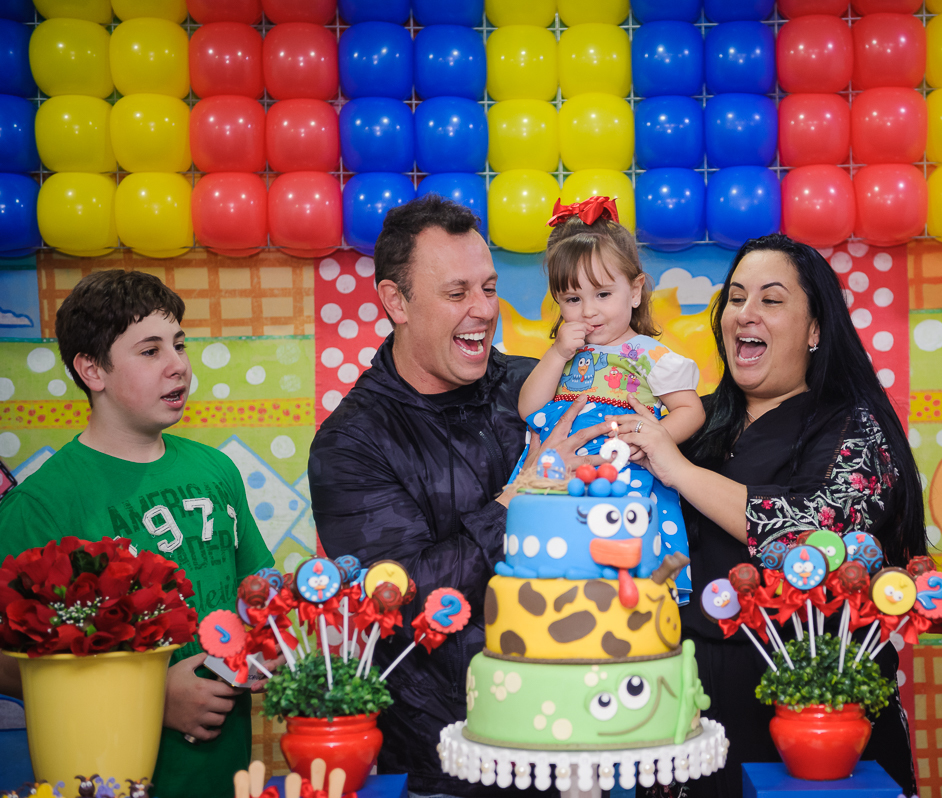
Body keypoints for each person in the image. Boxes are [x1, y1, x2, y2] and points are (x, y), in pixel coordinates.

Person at [605, 234, 926, 798]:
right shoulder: (694, 423)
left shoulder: (852, 424)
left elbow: (823, 532)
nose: (744, 313)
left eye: (771, 300)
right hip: (688, 714)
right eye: (735, 297)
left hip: (808, 711)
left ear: (816, 329)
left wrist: (678, 470)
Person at [308, 195, 608, 798]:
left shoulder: (536, 386)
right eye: (456, 294)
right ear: (397, 302)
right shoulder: (351, 443)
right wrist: (517, 501)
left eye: (489, 287)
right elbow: (399, 594)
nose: (484, 310)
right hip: (446, 765)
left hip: (578, 739)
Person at [0, 270, 273, 798]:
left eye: (179, 344)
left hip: (226, 775)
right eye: (149, 352)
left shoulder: (217, 470)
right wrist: (150, 695)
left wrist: (275, 639)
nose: (178, 366)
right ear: (91, 370)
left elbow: (256, 589)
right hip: (108, 775)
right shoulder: (40, 506)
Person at [515, 197, 704, 596]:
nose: (588, 311)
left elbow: (691, 410)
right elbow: (529, 408)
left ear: (635, 291)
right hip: (559, 466)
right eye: (572, 299)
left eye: (602, 294)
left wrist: (654, 439)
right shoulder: (564, 353)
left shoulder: (650, 355)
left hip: (623, 466)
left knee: (620, 556)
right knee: (559, 555)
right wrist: (556, 354)